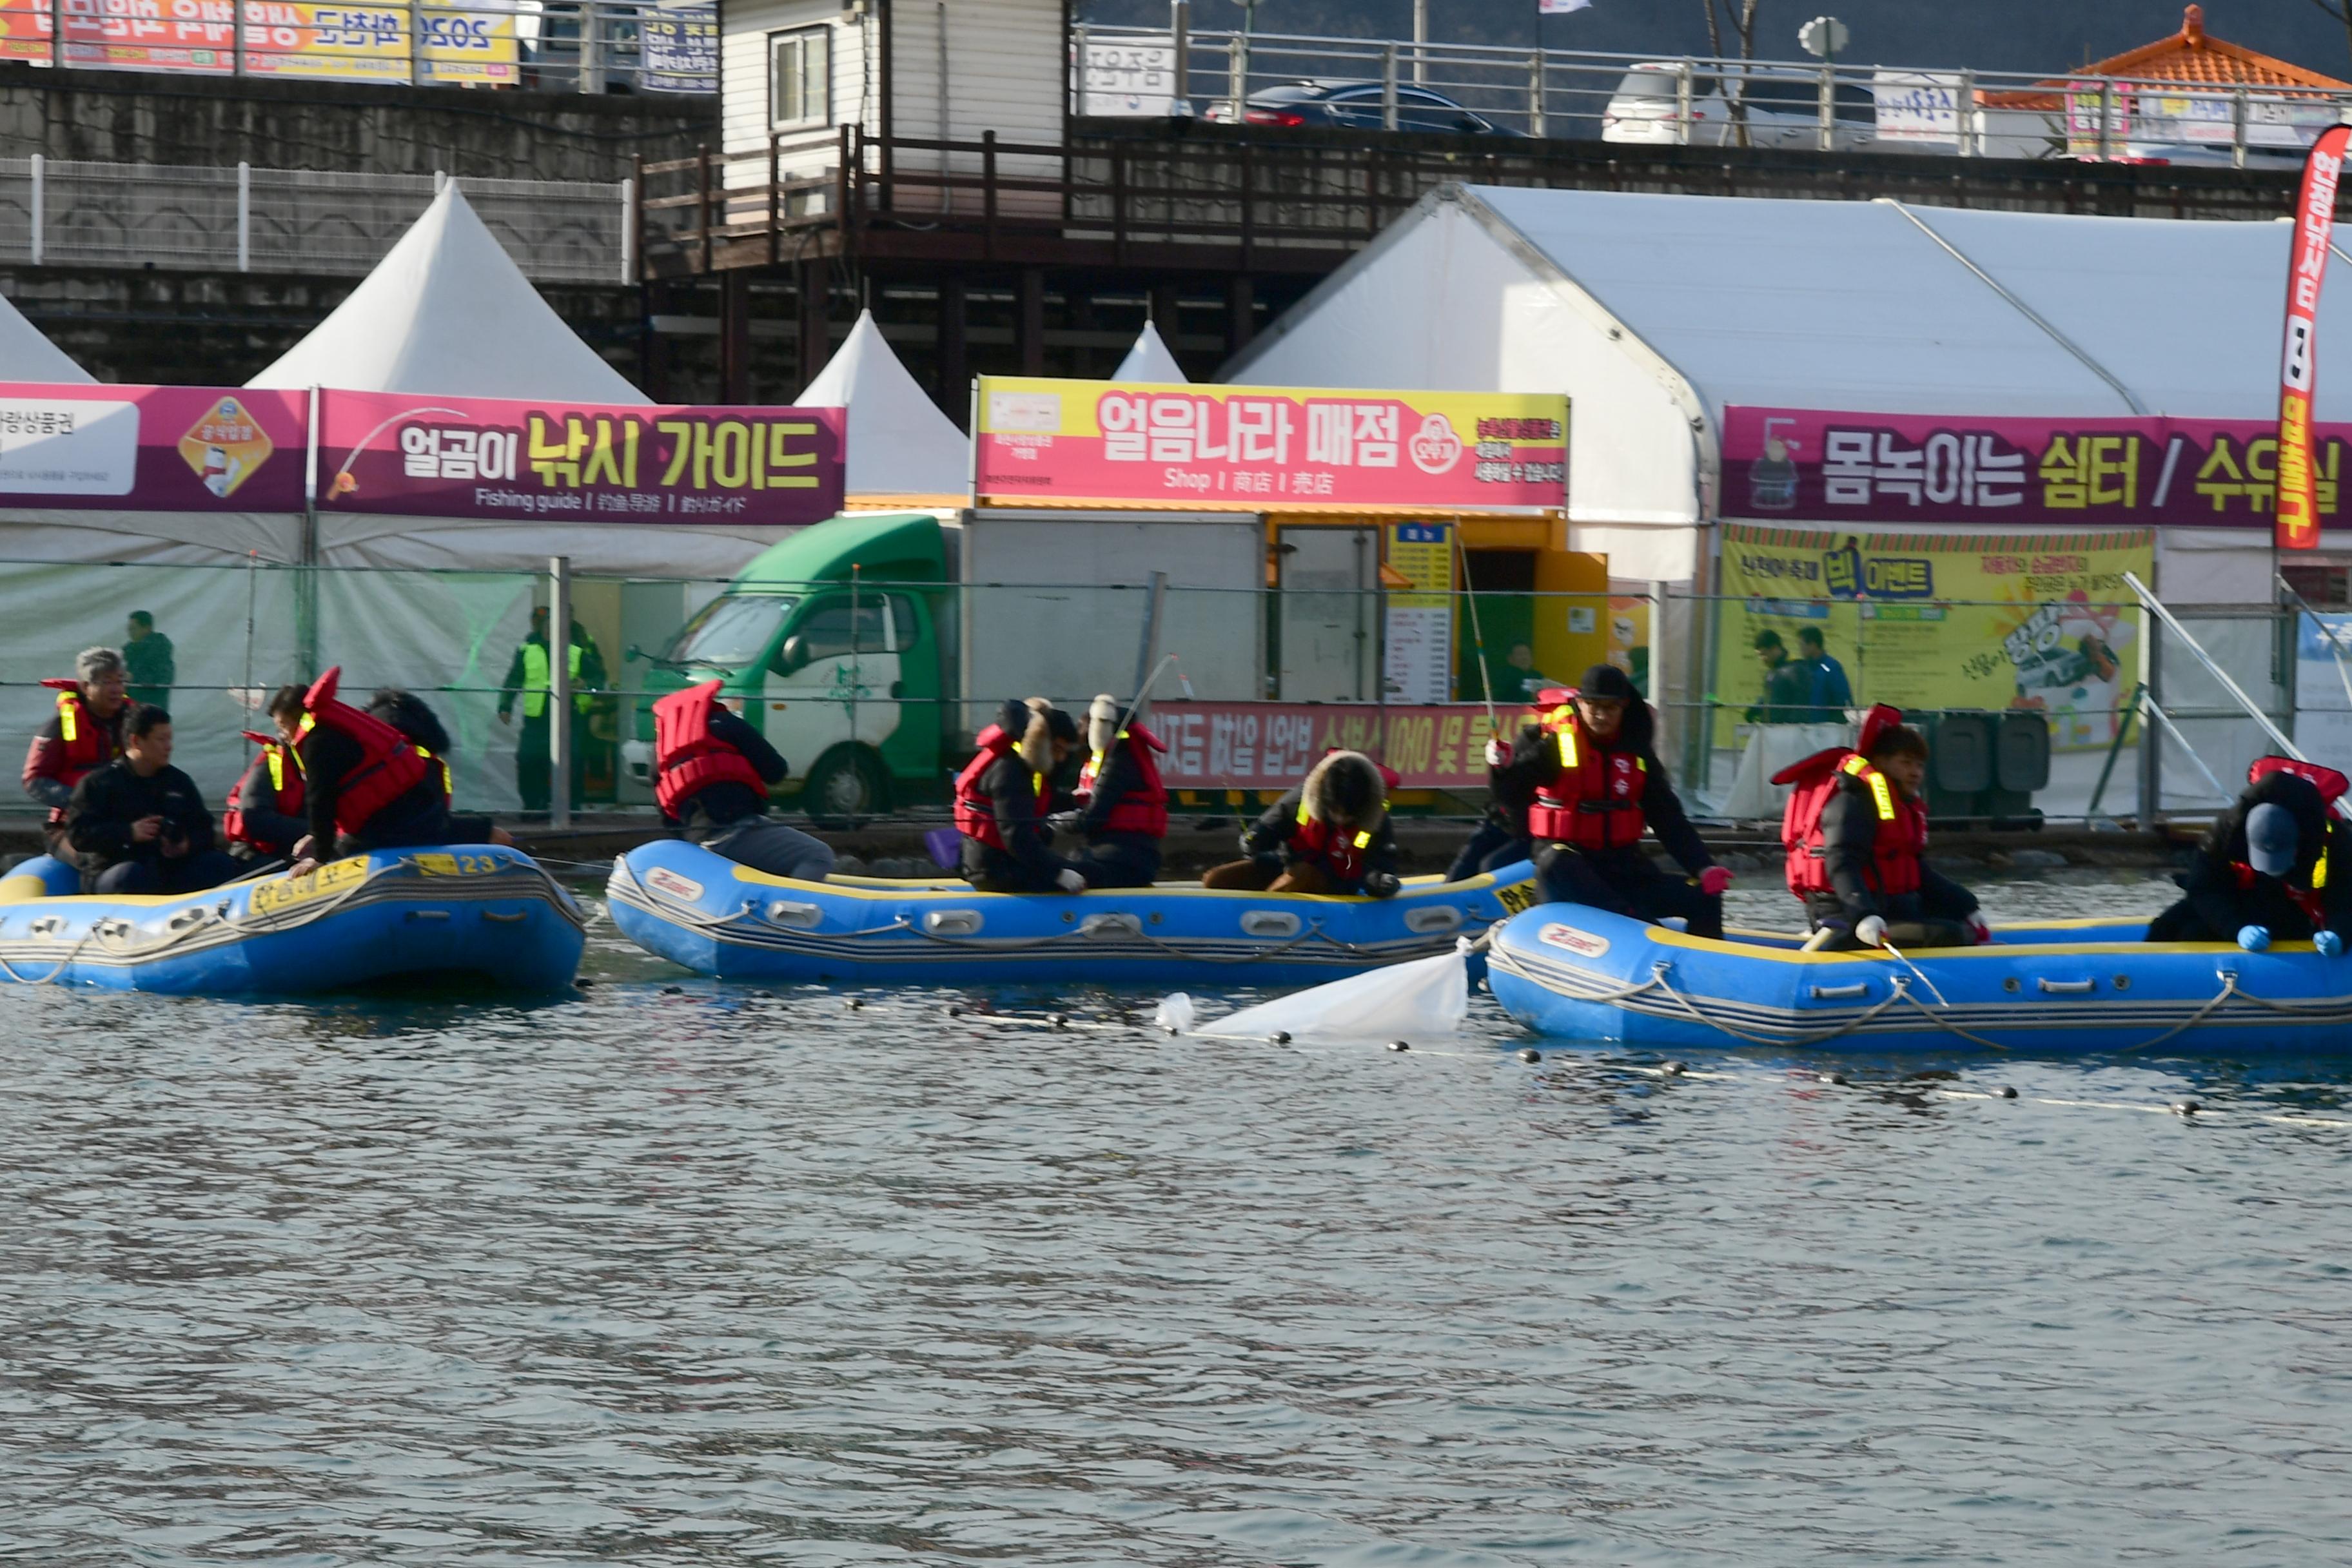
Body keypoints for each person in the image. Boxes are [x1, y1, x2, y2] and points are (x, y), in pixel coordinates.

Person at [1506, 663, 1730, 937]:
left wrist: (1703, 866)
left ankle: (1706, 966)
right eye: (1593, 706)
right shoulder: (1555, 744)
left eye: (1610, 707)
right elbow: (1510, 792)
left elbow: (1668, 818)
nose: (1601, 715)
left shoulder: (1636, 752)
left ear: (1624, 706)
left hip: (1624, 869)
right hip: (1571, 871)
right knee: (1556, 860)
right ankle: (1645, 930)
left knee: (1705, 896)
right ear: (1580, 703)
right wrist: (1501, 769)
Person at [1776, 705, 1985, 952]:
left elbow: (1916, 871)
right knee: (1949, 934)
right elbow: (1841, 863)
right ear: (1880, 762)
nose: (1915, 773)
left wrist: (1967, 905)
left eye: (1919, 766)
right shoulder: (1852, 803)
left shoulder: (1902, 808)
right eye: (1906, 763)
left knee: (1959, 923)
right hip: (1845, 916)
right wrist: (1863, 914)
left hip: (1891, 908)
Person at [271, 669, 513, 876]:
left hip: (389, 830)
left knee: (337, 855)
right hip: (423, 816)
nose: (283, 736)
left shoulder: (317, 743)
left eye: (283, 727)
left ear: (298, 718)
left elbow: (320, 799)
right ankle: (512, 861)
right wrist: (317, 836)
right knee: (492, 833)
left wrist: (320, 856)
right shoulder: (339, 731)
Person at [2146, 757, 2352, 950]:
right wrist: (2237, 929)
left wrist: (2338, 933)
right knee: (2169, 927)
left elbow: (2345, 894)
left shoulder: (2333, 839)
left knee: (2197, 933)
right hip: (2242, 897)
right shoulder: (2227, 832)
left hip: (2299, 907)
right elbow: (2203, 887)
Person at [652, 678, 834, 881]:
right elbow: (776, 772)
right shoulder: (728, 723)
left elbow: (667, 817)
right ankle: (792, 910)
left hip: (697, 845)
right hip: (738, 832)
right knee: (818, 855)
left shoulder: (660, 752)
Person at [66, 706, 238, 895]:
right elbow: (79, 835)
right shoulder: (100, 783)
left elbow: (205, 828)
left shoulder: (178, 782)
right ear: (136, 741)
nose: (169, 746)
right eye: (161, 739)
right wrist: (129, 833)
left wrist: (186, 844)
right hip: (116, 869)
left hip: (169, 868)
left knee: (221, 865)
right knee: (130, 876)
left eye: (170, 739)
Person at [1200, 749, 1403, 897]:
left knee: (1304, 874)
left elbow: (1381, 864)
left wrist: (1379, 881)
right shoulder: (1304, 796)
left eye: (1347, 816)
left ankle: (1268, 914)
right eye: (1335, 812)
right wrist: (1254, 839)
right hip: (1287, 865)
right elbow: (1271, 825)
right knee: (1217, 879)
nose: (1340, 820)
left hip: (1336, 883)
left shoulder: (1376, 816)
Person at [955, 698, 1086, 894]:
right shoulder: (1010, 772)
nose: (1061, 759)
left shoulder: (1017, 764)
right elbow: (1016, 835)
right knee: (1092, 873)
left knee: (1086, 869)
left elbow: (1032, 802)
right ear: (1042, 741)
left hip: (996, 863)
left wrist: (1074, 801)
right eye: (1057, 750)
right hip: (997, 871)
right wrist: (1057, 873)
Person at [24, 647, 133, 859]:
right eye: (107, 682)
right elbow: (34, 780)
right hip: (69, 827)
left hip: (122, 823)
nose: (116, 689)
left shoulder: (134, 723)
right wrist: (82, 802)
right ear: (85, 686)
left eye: (120, 681)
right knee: (98, 860)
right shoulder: (59, 726)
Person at [497, 607, 606, 812]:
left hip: (569, 718)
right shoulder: (527, 650)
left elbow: (600, 679)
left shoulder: (576, 651)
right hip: (536, 720)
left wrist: (585, 684)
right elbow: (513, 680)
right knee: (528, 761)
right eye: (548, 626)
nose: (551, 630)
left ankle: (570, 808)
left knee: (570, 763)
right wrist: (505, 706)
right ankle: (533, 806)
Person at [1056, 694, 1168, 888]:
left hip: (1123, 860)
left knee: (1057, 869)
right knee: (1070, 860)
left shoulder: (1118, 764)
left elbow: (1091, 818)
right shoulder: (1129, 756)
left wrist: (1053, 822)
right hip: (1126, 854)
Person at [367, 687, 500, 845]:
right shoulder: (417, 758)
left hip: (358, 842)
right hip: (410, 840)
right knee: (499, 837)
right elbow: (427, 823)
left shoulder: (358, 751)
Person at [1446, 709, 1542, 883]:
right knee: (1461, 871)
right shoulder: (1532, 737)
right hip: (1503, 822)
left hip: (1533, 834)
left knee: (1492, 868)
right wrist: (1501, 768)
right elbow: (1504, 789)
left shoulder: (1563, 748)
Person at [222, 728, 306, 863]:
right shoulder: (268, 768)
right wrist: (315, 831)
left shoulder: (322, 770)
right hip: (258, 854)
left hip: (303, 850)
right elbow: (255, 819)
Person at [1745, 630, 1812, 725]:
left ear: (1775, 648)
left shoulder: (1797, 669)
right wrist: (1755, 709)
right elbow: (1769, 698)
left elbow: (1802, 705)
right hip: (1770, 730)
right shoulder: (1772, 672)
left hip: (1787, 732)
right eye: (1759, 655)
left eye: (1764, 654)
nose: (1762, 659)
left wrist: (1791, 727)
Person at [1796, 627, 1853, 720]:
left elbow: (1843, 700)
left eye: (1802, 645)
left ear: (1813, 645)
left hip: (1827, 727)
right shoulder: (1802, 668)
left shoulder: (1831, 668)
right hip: (1804, 727)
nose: (1800, 649)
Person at [122, 611, 175, 710]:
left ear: (147, 628)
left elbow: (163, 683)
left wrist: (134, 678)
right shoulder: (129, 652)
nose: (130, 633)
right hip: (130, 711)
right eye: (129, 629)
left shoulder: (161, 652)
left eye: (133, 629)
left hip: (152, 712)